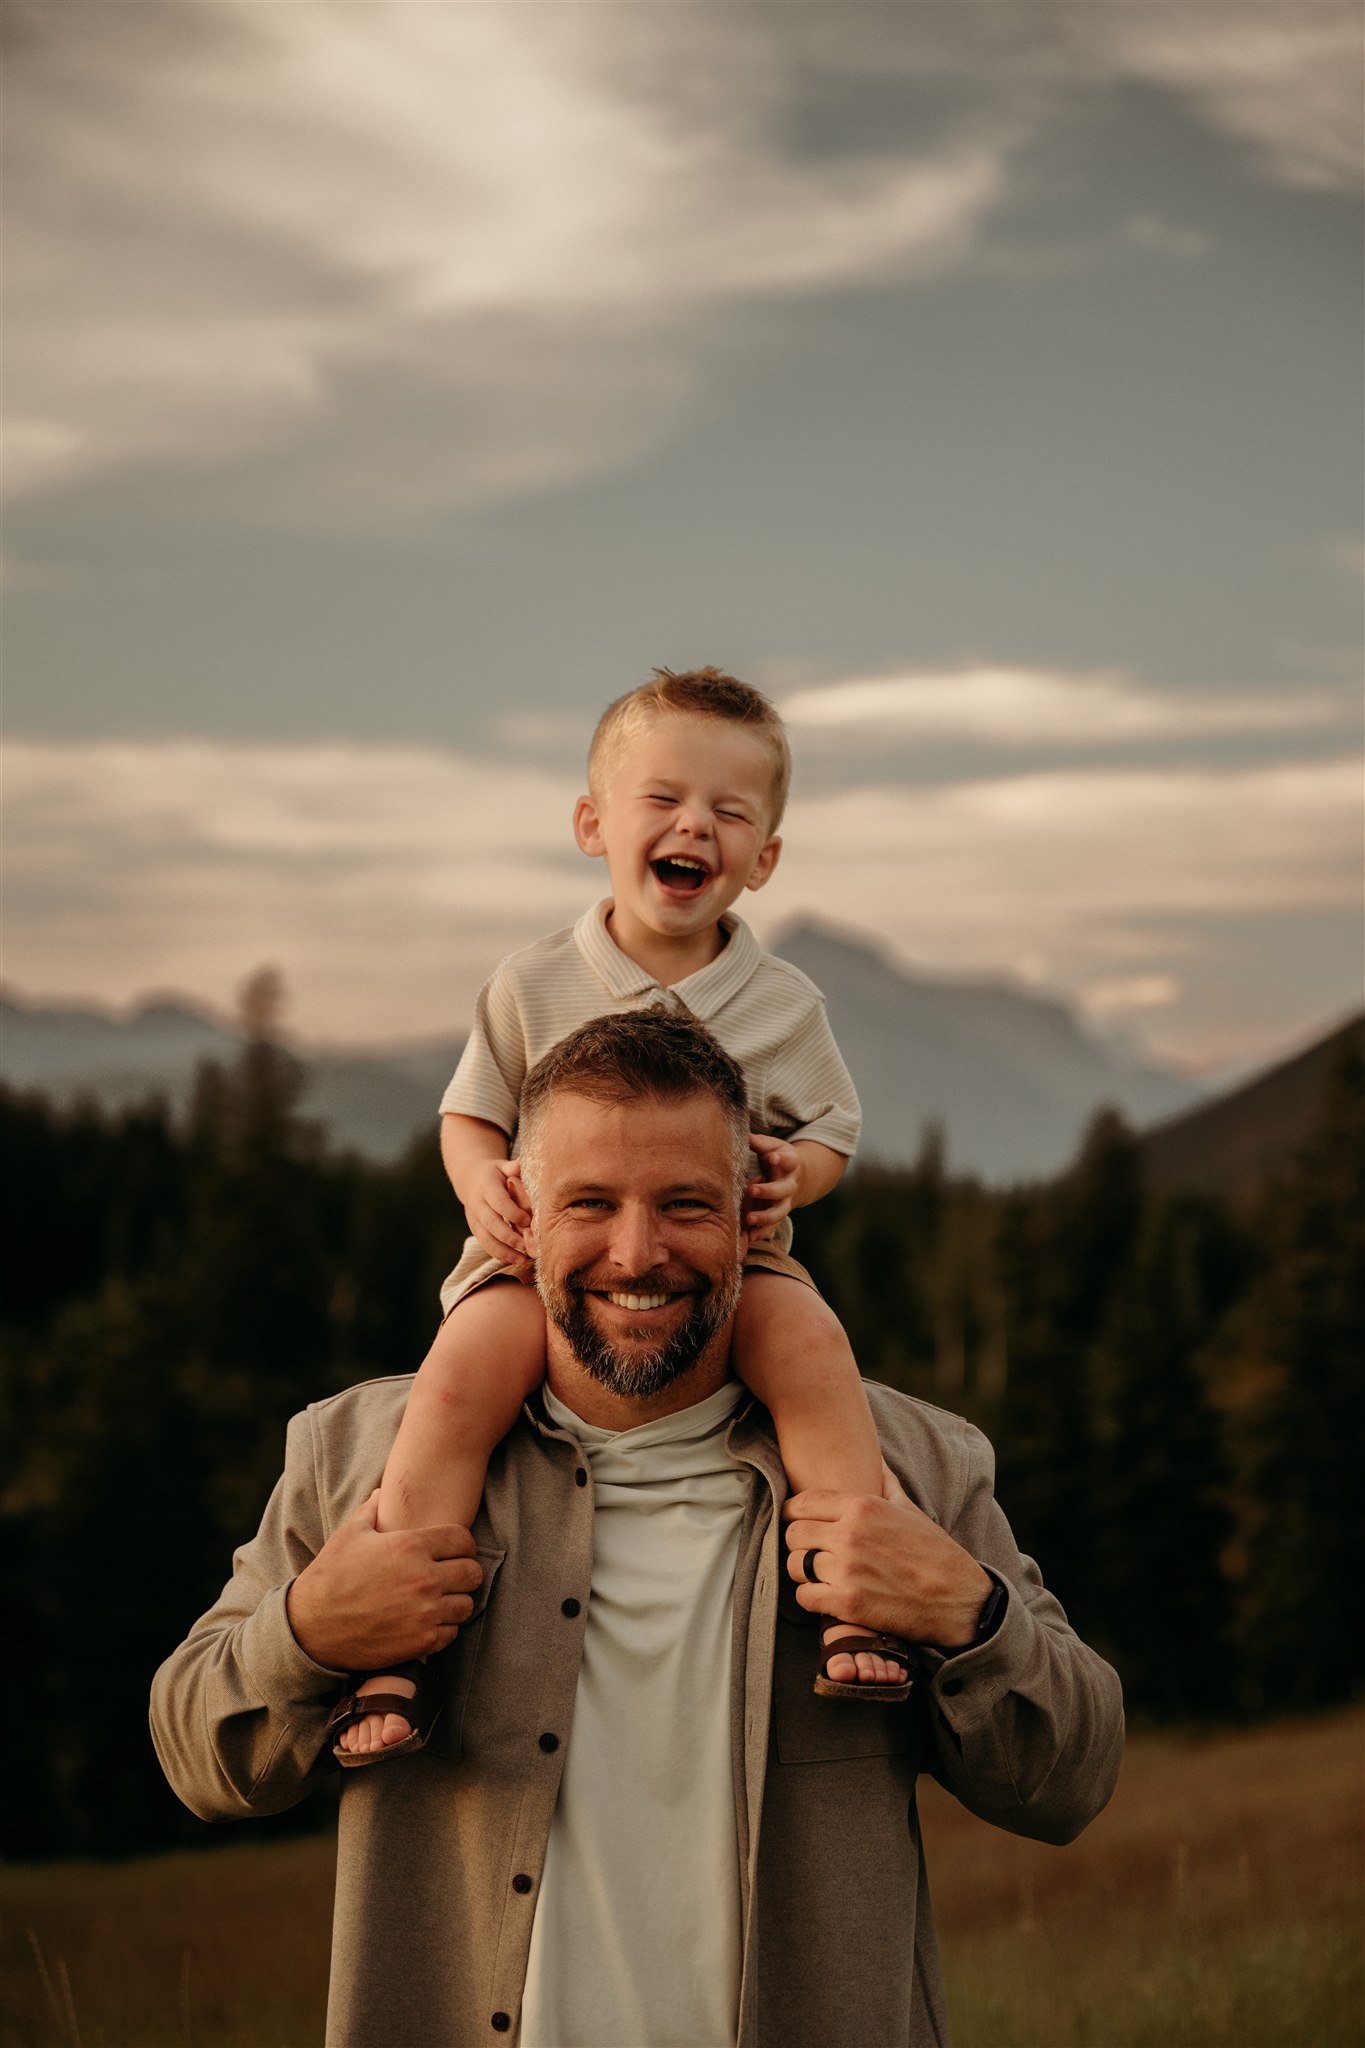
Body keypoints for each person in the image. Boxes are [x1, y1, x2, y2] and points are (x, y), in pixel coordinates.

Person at [151, 1009, 1125, 2048]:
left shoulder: (912, 1469)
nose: (638, 1251)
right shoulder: (359, 1459)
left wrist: (963, 1612)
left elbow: (1072, 1772)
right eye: (591, 1202)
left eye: (684, 1203)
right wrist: (307, 1633)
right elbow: (199, 1752)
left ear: (750, 1211)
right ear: (521, 1213)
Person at [340, 667, 899, 1762]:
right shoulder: (534, 978)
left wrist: (798, 1176)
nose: (698, 823)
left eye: (732, 812)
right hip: (532, 1268)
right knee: (455, 1383)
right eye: (666, 799)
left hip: (735, 1271)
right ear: (595, 823)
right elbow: (468, 1114)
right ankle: (386, 1648)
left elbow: (834, 1131)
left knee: (815, 1347)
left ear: (764, 858)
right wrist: (480, 1185)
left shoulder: (785, 1004)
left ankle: (860, 1596)